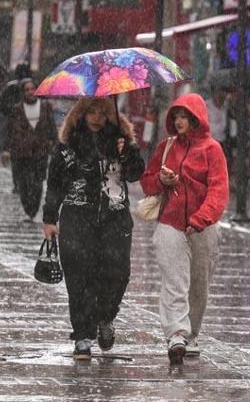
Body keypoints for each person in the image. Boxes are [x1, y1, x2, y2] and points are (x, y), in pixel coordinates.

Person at [42, 98, 144, 361]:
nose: (97, 117)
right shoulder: (69, 145)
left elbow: (135, 174)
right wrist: (50, 219)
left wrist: (126, 152)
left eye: (102, 112)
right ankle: (83, 336)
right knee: (79, 278)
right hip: (78, 218)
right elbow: (54, 183)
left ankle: (106, 316)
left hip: (115, 218)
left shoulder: (121, 140)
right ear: (81, 114)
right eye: (91, 112)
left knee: (118, 273)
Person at [140, 93, 229, 364]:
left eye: (184, 117)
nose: (179, 122)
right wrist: (162, 180)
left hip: (203, 228)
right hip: (171, 223)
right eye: (176, 116)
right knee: (174, 280)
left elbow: (218, 190)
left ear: (195, 118)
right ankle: (176, 333)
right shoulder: (166, 147)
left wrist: (201, 219)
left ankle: (192, 333)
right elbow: (147, 182)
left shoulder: (213, 150)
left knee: (199, 284)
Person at [2, 79, 56, 222]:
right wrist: (7, 149)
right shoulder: (16, 109)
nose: (30, 92)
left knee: (37, 183)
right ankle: (28, 208)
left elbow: (52, 129)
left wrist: (53, 144)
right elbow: (9, 130)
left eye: (33, 88)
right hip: (21, 153)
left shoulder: (45, 107)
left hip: (40, 152)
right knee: (23, 183)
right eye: (27, 89)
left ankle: (33, 210)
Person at [0, 63, 33, 194]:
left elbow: (2, 105)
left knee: (17, 157)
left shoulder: (11, 87)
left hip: (15, 125)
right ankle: (23, 182)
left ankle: (18, 183)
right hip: (25, 125)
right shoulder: (30, 86)